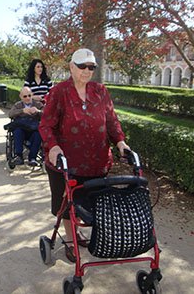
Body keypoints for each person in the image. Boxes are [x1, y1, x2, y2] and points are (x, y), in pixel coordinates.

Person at [39, 48, 130, 263]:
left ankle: (86, 235)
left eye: (91, 67)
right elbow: (46, 125)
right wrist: (52, 147)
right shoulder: (59, 92)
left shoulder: (100, 91)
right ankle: (71, 241)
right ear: (71, 67)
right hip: (65, 162)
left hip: (97, 162)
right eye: (82, 66)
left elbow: (111, 121)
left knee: (93, 204)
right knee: (67, 203)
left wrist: (120, 141)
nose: (87, 71)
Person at [8, 87, 43, 167]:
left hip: (34, 128)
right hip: (21, 128)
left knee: (39, 134)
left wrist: (38, 111)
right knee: (17, 131)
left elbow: (47, 115)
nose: (27, 98)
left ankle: (33, 158)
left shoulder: (38, 104)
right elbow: (10, 114)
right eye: (25, 96)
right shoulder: (18, 105)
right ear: (20, 96)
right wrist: (22, 111)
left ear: (32, 95)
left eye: (29, 95)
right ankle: (19, 156)